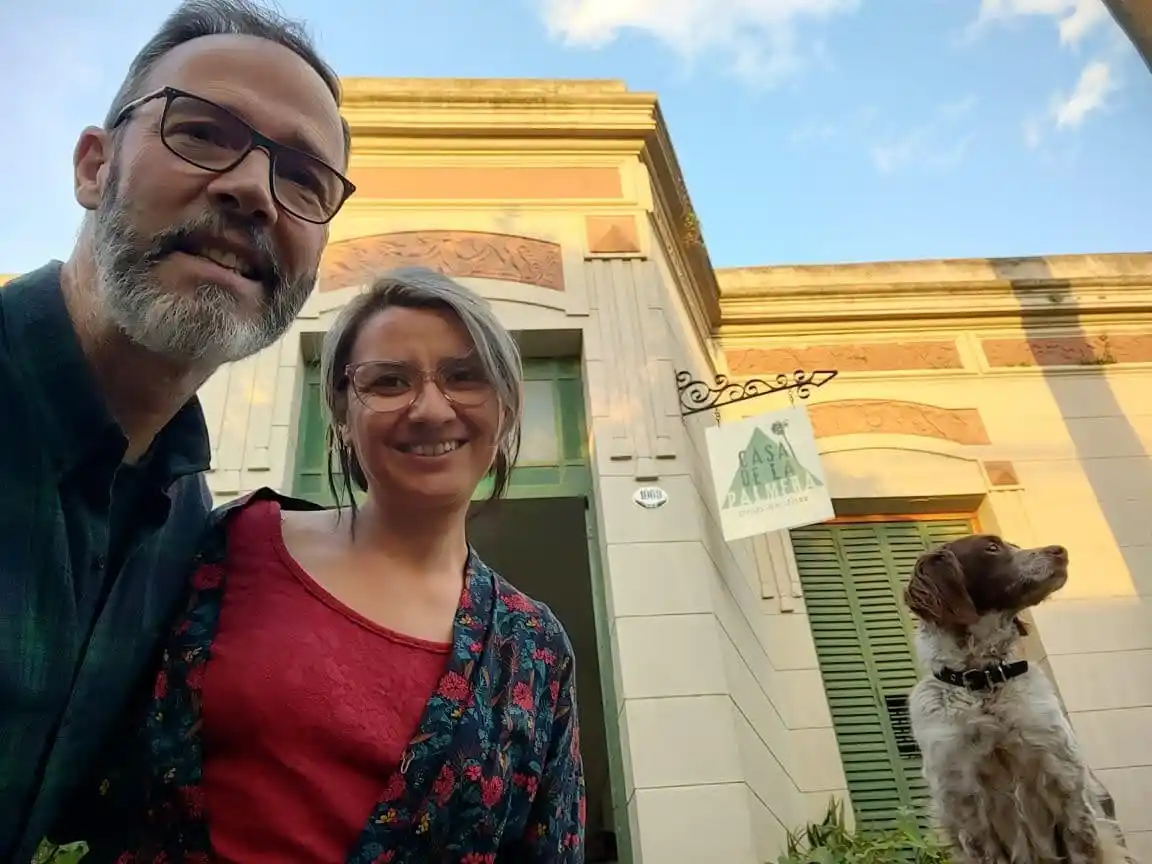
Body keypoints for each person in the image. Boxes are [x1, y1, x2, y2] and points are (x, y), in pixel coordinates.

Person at [69, 267, 586, 863]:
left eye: (465, 377)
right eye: (388, 381)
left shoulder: (535, 649)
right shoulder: (228, 547)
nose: (429, 408)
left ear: (507, 408)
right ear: (341, 411)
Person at [0, 0, 353, 859]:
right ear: (94, 166)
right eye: (201, 131)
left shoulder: (188, 526)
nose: (252, 192)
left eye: (304, 179)